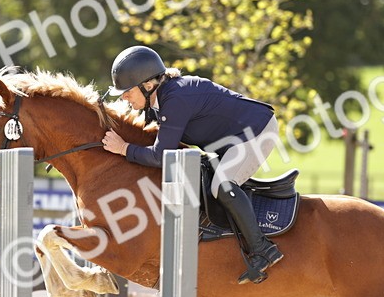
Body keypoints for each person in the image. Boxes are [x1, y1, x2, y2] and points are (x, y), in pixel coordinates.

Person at [100, 45, 283, 284]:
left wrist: (123, 148)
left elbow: (159, 156)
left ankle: (263, 249)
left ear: (147, 85)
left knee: (222, 185)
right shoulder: (159, 101)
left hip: (256, 131)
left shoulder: (175, 99)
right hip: (231, 141)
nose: (124, 97)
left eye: (127, 92)